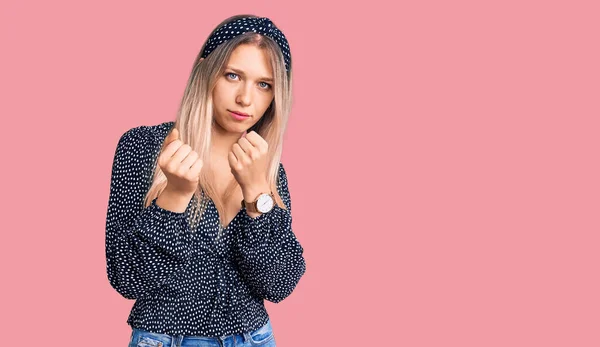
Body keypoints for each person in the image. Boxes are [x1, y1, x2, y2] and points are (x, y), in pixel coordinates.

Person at [105, 14, 306, 347]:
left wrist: (256, 194)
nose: (245, 98)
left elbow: (279, 284)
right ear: (206, 72)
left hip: (253, 339)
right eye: (232, 75)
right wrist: (174, 196)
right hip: (165, 339)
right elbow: (127, 278)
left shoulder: (268, 171)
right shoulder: (144, 147)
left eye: (264, 84)